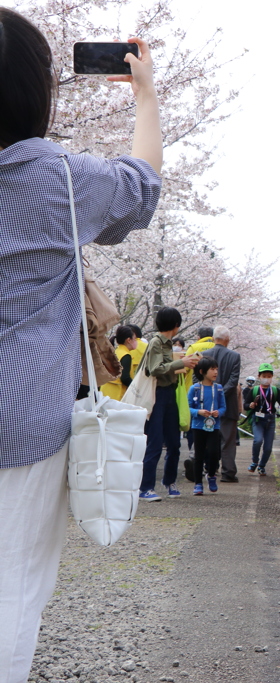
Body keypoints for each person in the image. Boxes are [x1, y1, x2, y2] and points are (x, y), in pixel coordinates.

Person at [0, 12, 162, 683]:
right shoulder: (63, 178)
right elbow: (141, 186)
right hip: (23, 415)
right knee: (13, 581)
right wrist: (145, 95)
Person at [139, 307, 199, 501]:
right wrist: (181, 364)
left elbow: (166, 368)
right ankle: (146, 487)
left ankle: (170, 482)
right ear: (175, 325)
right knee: (155, 442)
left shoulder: (168, 344)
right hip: (158, 395)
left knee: (174, 443)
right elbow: (155, 369)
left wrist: (183, 364)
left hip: (170, 393)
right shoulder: (156, 342)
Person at [198, 326, 241, 481]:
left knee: (206, 438)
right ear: (227, 339)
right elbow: (233, 380)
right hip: (228, 405)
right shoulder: (234, 356)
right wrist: (220, 393)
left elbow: (197, 378)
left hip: (206, 405)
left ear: (213, 338)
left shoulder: (204, 355)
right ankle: (228, 472)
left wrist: (208, 394)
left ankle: (207, 468)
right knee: (228, 441)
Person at [187, 357, 226, 496]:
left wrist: (218, 412)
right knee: (199, 455)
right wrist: (198, 412)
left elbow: (223, 407)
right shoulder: (195, 389)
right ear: (202, 371)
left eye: (216, 369)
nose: (215, 372)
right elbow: (188, 407)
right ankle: (198, 483)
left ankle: (211, 475)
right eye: (212, 369)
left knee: (214, 453)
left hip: (214, 426)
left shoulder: (219, 388)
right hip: (198, 426)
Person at [247, 364, 280, 476]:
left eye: (269, 376)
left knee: (268, 447)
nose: (266, 378)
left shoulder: (275, 391)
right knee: (258, 440)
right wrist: (250, 405)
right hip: (258, 420)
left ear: (272, 377)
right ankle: (254, 461)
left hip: (270, 420)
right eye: (264, 376)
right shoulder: (255, 390)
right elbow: (245, 405)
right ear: (259, 376)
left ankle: (262, 466)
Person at [178, 326, 215, 451]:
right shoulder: (217, 347)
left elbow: (184, 369)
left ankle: (194, 453)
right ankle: (210, 457)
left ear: (198, 337)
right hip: (213, 391)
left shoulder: (193, 348)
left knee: (195, 423)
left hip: (194, 391)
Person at [100, 325, 138, 400]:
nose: (136, 341)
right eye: (134, 339)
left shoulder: (116, 351)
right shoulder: (126, 355)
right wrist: (135, 387)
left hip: (106, 390)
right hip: (117, 392)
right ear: (128, 340)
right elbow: (125, 378)